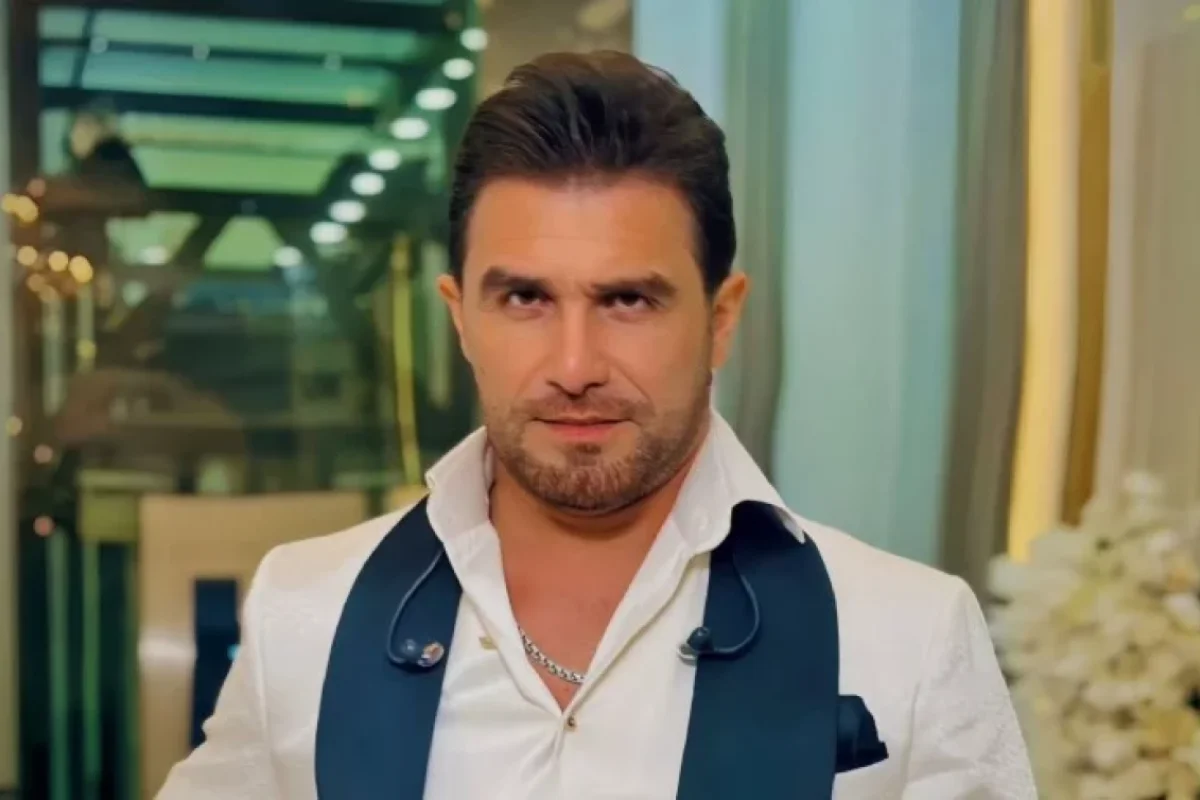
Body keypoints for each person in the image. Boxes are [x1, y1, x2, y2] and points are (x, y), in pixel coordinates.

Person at [156, 51, 1035, 799]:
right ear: (461, 317)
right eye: (525, 298)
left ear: (721, 318)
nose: (575, 366)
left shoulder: (910, 639)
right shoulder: (305, 613)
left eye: (627, 300)